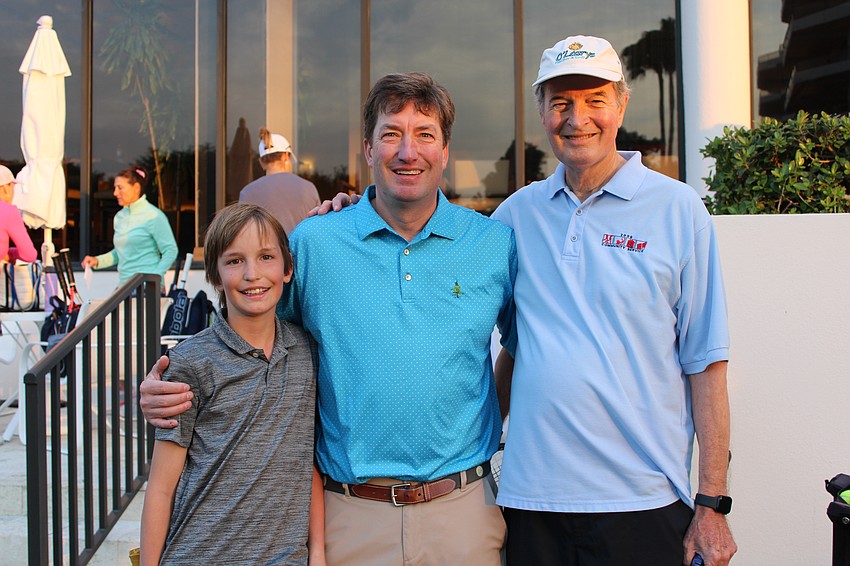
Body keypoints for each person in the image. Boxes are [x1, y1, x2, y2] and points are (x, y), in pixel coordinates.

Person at [141, 72, 516, 565]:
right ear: (367, 149)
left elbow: (523, 345)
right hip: (348, 517)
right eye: (390, 134)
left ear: (445, 150)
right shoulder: (315, 244)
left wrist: (489, 414)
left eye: (425, 134)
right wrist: (170, 382)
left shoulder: (492, 244)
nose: (408, 151)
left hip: (464, 513)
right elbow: (254, 338)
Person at [489, 35, 736, 565]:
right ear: (541, 112)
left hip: (644, 501)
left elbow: (706, 364)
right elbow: (515, 345)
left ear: (621, 105)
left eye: (594, 99)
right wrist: (357, 207)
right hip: (532, 503)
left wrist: (711, 503)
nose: (577, 118)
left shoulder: (679, 210)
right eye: (560, 103)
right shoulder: (514, 217)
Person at [140, 203, 325, 565]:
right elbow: (161, 488)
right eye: (235, 260)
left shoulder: (307, 351)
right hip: (199, 555)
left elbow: (306, 464)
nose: (252, 274)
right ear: (215, 275)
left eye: (266, 256)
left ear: (288, 268)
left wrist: (316, 552)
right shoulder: (190, 363)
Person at [81, 166, 177, 286]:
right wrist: (98, 261)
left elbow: (170, 250)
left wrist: (155, 277)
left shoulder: (154, 216)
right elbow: (120, 252)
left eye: (120, 188)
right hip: (125, 286)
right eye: (115, 188)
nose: (115, 193)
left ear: (136, 187)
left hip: (148, 289)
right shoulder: (119, 217)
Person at [239, 128, 321, 234]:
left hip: (265, 250)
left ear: (261, 162)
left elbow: (243, 233)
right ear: (286, 156)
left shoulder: (247, 192)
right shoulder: (308, 188)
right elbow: (317, 229)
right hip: (299, 250)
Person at [0, 164, 37, 264]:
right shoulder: (8, 211)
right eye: (13, 187)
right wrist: (9, 254)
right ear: (5, 189)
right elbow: (29, 255)